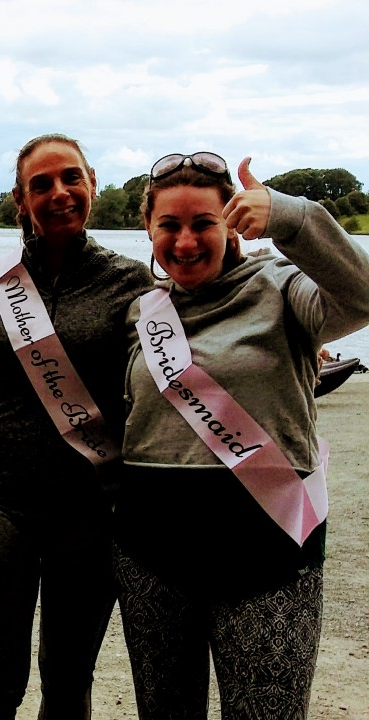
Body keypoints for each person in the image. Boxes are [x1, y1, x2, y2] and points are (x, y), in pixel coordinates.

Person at [115, 152, 369, 718]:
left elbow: (363, 295)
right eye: (169, 226)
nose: (185, 242)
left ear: (231, 221)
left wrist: (290, 216)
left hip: (268, 551)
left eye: (203, 223)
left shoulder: (283, 289)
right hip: (153, 555)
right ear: (148, 230)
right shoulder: (141, 312)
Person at [0, 134, 152, 718]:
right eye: (40, 185)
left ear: (92, 182)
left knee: (69, 679)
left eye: (71, 178)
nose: (58, 193)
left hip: (91, 506)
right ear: (21, 200)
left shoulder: (133, 282)